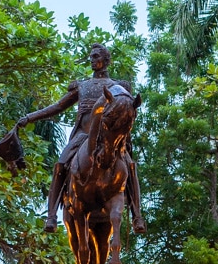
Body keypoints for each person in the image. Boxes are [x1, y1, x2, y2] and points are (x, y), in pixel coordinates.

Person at [15, 43, 146, 234]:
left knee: (130, 165)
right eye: (91, 57)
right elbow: (58, 106)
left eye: (96, 57)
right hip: (82, 136)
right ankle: (51, 215)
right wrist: (30, 117)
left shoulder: (119, 86)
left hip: (109, 138)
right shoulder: (82, 85)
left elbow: (127, 110)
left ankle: (137, 215)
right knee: (60, 164)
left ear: (106, 60)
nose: (93, 60)